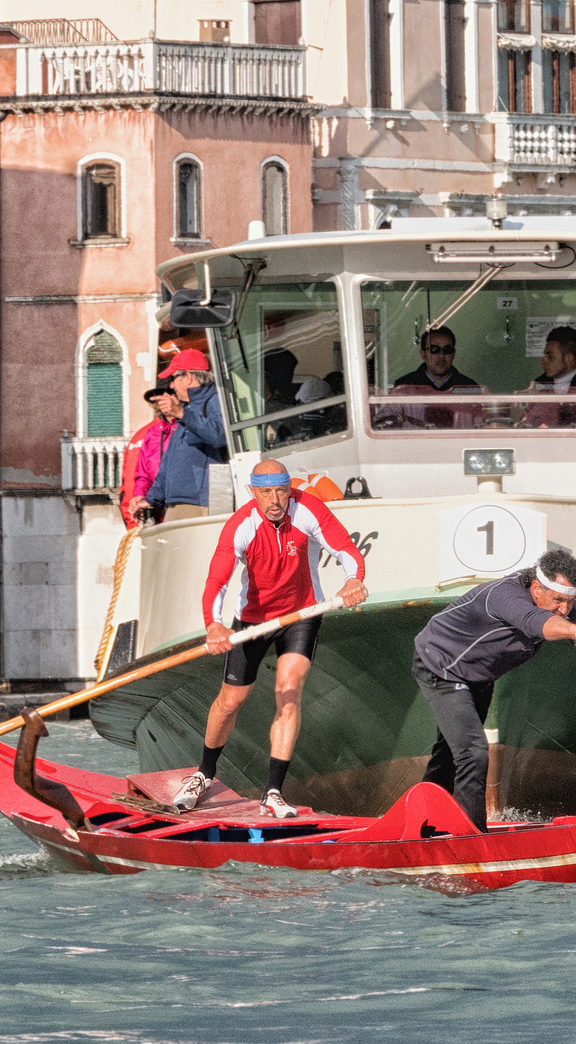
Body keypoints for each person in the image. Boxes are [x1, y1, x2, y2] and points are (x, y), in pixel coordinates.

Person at [173, 459, 369, 818]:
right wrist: (214, 625)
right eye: (266, 492)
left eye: (281, 490)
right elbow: (216, 581)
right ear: (253, 492)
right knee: (231, 701)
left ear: (288, 489)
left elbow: (346, 551)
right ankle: (204, 773)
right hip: (253, 620)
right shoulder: (241, 525)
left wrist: (353, 579)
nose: (275, 500)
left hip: (302, 615)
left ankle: (273, 793)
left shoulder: (308, 508)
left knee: (288, 692)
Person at [411, 547, 576, 831]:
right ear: (537, 588)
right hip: (440, 666)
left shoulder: (564, 608)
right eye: (558, 601)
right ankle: (469, 839)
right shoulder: (504, 596)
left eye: (571, 602)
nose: (565, 610)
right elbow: (538, 623)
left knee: (451, 756)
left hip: (478, 677)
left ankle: (421, 823)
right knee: (473, 754)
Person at [146, 349, 228, 521]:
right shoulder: (187, 409)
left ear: (189, 377)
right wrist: (150, 499)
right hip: (179, 503)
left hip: (199, 503)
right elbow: (169, 461)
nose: (171, 386)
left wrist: (182, 413)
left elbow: (219, 436)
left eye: (172, 379)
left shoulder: (214, 400)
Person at [124, 385, 179, 526]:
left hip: (183, 506)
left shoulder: (190, 427)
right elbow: (142, 475)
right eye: (161, 394)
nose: (165, 398)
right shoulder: (149, 434)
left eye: (171, 393)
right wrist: (139, 495)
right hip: (157, 512)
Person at [392, 327, 480, 390]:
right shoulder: (405, 385)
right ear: (423, 354)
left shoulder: (468, 386)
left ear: (453, 354)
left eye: (447, 350)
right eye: (434, 350)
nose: (441, 355)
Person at [533, 326, 576, 392]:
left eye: (550, 356)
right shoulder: (537, 387)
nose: (542, 361)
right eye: (545, 355)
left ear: (569, 358)